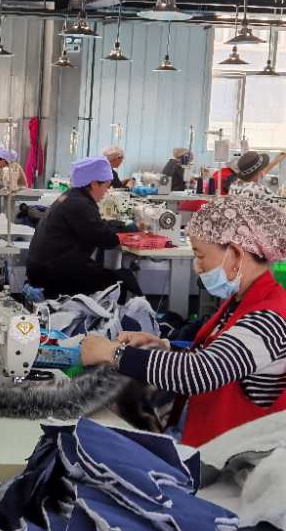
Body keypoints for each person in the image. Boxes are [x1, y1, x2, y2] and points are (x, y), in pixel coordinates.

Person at [81, 197, 286, 447]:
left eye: (200, 256)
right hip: (202, 431)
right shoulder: (241, 301)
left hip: (227, 457)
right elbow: (221, 357)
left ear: (235, 254)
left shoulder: (269, 319)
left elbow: (201, 372)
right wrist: (164, 346)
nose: (196, 267)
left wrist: (113, 354)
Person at [27, 156, 142, 301]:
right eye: (106, 187)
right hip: (52, 273)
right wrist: (130, 231)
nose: (106, 192)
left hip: (44, 267)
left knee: (105, 271)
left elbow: (96, 226)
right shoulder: (80, 204)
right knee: (121, 281)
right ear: (94, 184)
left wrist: (117, 226)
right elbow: (105, 239)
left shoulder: (71, 196)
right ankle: (111, 314)